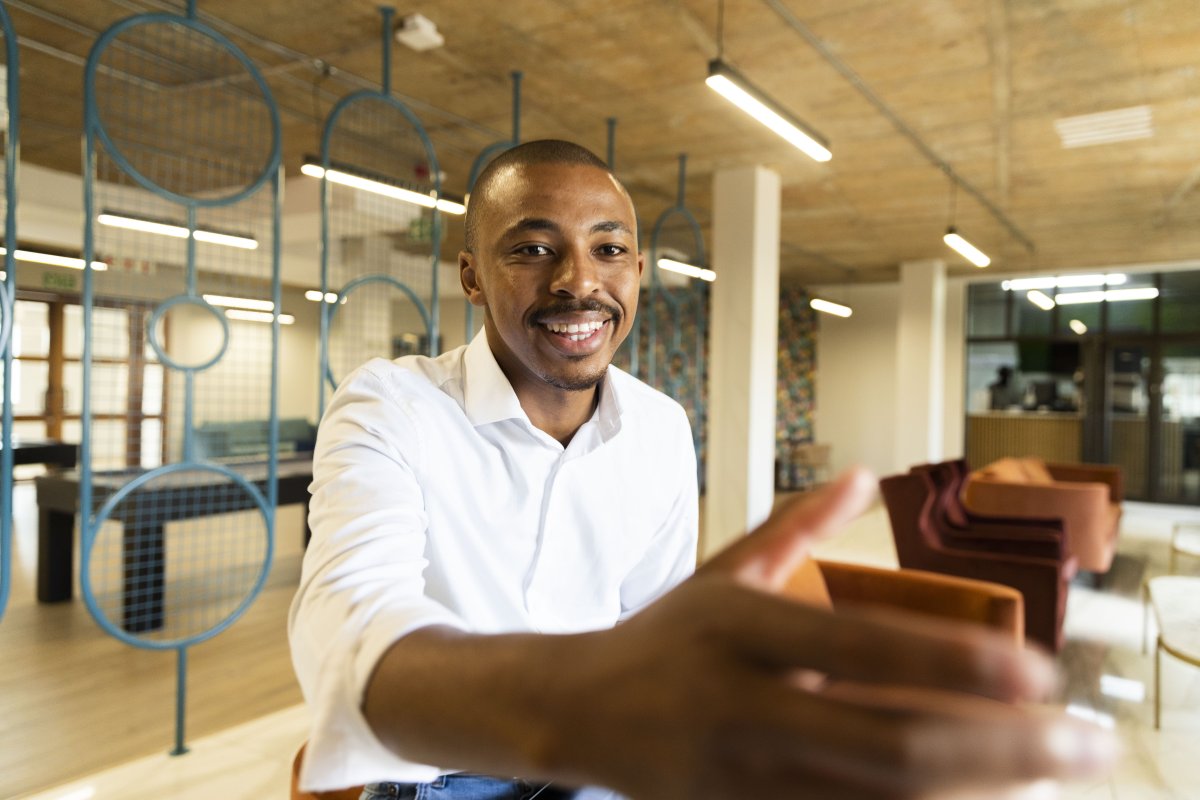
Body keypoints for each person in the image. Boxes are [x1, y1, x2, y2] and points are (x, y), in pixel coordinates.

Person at [290, 140, 1114, 800]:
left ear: (638, 272)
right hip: (441, 772)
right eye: (533, 248)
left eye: (608, 248)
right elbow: (349, 620)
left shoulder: (660, 428)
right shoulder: (389, 404)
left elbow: (656, 623)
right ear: (471, 275)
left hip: (608, 763)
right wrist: (577, 706)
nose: (579, 280)